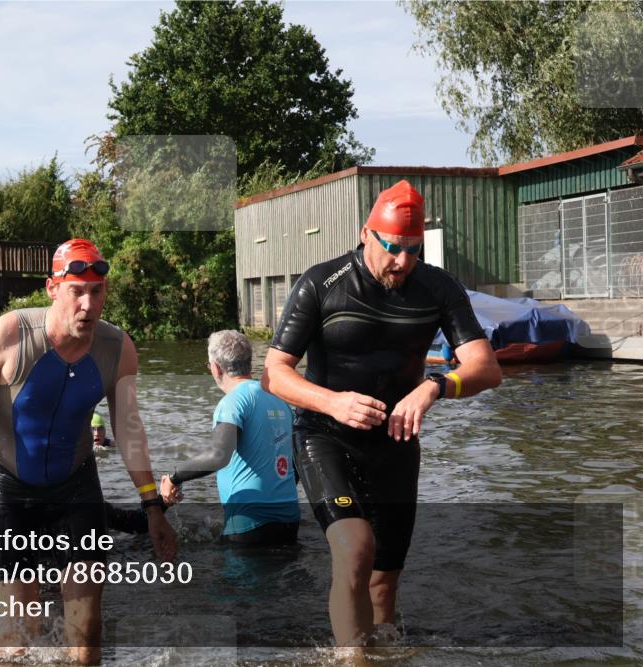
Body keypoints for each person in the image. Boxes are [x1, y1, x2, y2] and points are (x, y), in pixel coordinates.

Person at [261, 179, 502, 650]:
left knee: (384, 581)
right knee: (355, 549)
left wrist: (434, 386)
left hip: (394, 443)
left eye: (413, 249)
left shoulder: (438, 288)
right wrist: (333, 402)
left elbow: (486, 368)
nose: (403, 261)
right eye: (393, 247)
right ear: (365, 234)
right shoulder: (322, 283)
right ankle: (351, 659)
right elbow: (274, 374)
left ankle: (385, 653)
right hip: (325, 436)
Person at [0, 238, 176, 664]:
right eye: (76, 292)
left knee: (87, 634)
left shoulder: (117, 348)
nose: (88, 305)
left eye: (97, 292)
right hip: (10, 489)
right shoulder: (10, 335)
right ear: (53, 289)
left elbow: (128, 428)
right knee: (20, 637)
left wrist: (152, 507)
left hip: (76, 488)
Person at [160, 330, 300, 545]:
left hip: (250, 522)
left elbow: (219, 455)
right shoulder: (280, 399)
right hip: (289, 518)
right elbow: (295, 463)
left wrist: (174, 477)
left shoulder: (233, 402)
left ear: (216, 367)